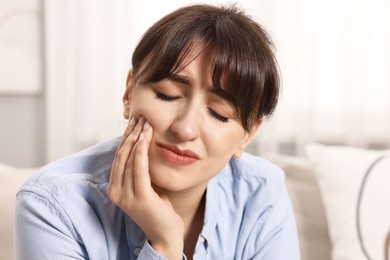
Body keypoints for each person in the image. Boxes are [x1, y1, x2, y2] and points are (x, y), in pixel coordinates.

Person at [15, 4, 300, 260]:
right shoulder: (52, 205)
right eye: (167, 95)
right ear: (129, 92)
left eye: (219, 114)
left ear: (248, 135)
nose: (185, 129)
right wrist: (165, 244)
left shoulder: (263, 193)